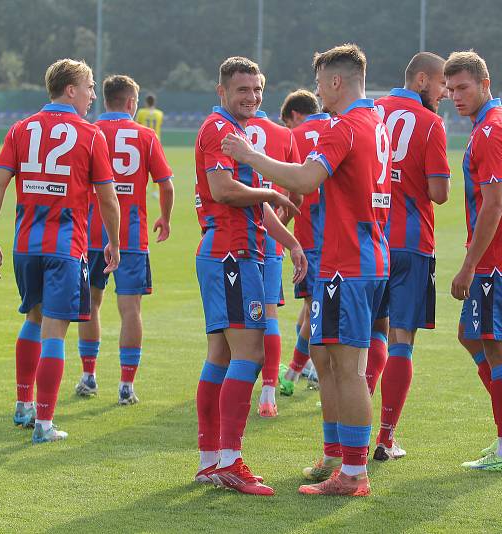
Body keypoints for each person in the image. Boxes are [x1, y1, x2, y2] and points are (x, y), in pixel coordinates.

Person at [222, 43, 390, 497]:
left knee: (346, 368)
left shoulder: (343, 126)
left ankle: (353, 473)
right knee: (333, 363)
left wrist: (248, 155)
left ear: (336, 82)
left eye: (319, 83)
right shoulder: (377, 123)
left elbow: (304, 180)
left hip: (345, 264)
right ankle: (340, 460)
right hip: (370, 256)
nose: (317, 92)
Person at [0, 58, 120, 443]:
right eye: (90, 86)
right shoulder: (91, 135)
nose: (94, 94)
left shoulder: (20, 128)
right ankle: (43, 424)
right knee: (55, 334)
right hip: (65, 248)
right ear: (71, 89)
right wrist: (114, 241)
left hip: (25, 245)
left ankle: (23, 405)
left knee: (33, 319)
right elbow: (108, 199)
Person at [193, 56, 307, 496]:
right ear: (222, 92)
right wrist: (272, 190)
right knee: (250, 354)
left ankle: (211, 462)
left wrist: (291, 243)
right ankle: (229, 460)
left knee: (222, 356)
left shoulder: (237, 134)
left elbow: (255, 207)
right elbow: (224, 191)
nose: (253, 97)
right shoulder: (220, 130)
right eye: (243, 90)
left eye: (257, 89)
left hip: (238, 253)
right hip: (231, 255)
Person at [444, 50, 502, 471]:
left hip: (498, 260)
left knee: (500, 347)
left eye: (463, 87)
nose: (455, 95)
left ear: (485, 84)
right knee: (470, 334)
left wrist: (468, 265)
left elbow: (494, 204)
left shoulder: (491, 131)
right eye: (450, 88)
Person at [369, 51, 451, 461]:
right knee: (402, 339)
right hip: (412, 243)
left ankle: (349, 433)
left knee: (368, 336)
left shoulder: (369, 112)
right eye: (441, 86)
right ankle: (385, 438)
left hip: (369, 240)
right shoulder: (431, 123)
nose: (446, 94)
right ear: (422, 80)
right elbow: (438, 192)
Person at [74, 74, 174, 405]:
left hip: (89, 234)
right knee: (130, 308)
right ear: (132, 102)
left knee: (90, 304)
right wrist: (165, 217)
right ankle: (126, 386)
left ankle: (88, 377)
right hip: (130, 236)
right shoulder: (146, 135)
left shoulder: (88, 131)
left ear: (104, 100)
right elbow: (166, 184)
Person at [245, 89, 302, 418]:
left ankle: (235, 380)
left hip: (232, 234)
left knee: (234, 317)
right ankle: (268, 391)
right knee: (269, 314)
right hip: (268, 238)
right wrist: (280, 224)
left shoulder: (229, 131)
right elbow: (297, 191)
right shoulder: (283, 135)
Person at [278, 89, 330, 397]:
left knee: (315, 307)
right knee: (315, 305)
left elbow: (289, 195)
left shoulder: (294, 137)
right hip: (344, 235)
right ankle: (306, 366)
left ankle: (295, 372)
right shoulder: (342, 126)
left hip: (311, 234)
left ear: (295, 116)